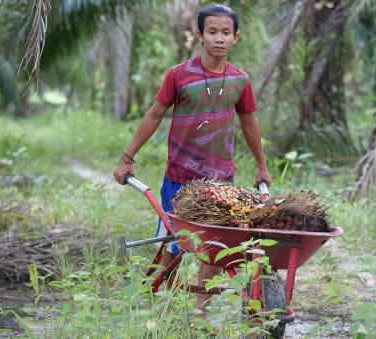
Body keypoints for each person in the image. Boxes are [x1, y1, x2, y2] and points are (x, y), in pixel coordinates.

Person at [112, 3, 271, 312]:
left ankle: (200, 313)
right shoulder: (179, 76)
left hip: (221, 184)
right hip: (180, 180)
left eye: (226, 32)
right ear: (200, 35)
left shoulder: (240, 80)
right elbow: (155, 114)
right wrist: (127, 157)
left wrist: (262, 167)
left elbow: (250, 123)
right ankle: (159, 308)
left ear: (236, 37)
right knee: (173, 246)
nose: (219, 39)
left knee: (215, 247)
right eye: (212, 31)